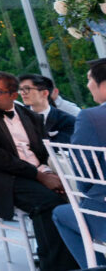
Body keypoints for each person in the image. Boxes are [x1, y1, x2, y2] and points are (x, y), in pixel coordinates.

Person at [0, 72, 76, 271]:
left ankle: (74, 258)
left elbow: (41, 154)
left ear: (14, 95)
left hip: (30, 173)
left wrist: (48, 173)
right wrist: (39, 176)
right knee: (47, 202)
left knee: (72, 195)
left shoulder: (31, 116)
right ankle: (54, 266)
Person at [53, 58, 106, 266]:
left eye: (89, 79)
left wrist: (88, 195)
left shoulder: (92, 118)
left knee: (61, 214)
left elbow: (82, 174)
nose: (88, 85)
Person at [19, 74, 75, 144]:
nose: (22, 93)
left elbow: (60, 148)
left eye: (27, 89)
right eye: (20, 89)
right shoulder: (16, 116)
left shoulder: (67, 121)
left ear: (44, 93)